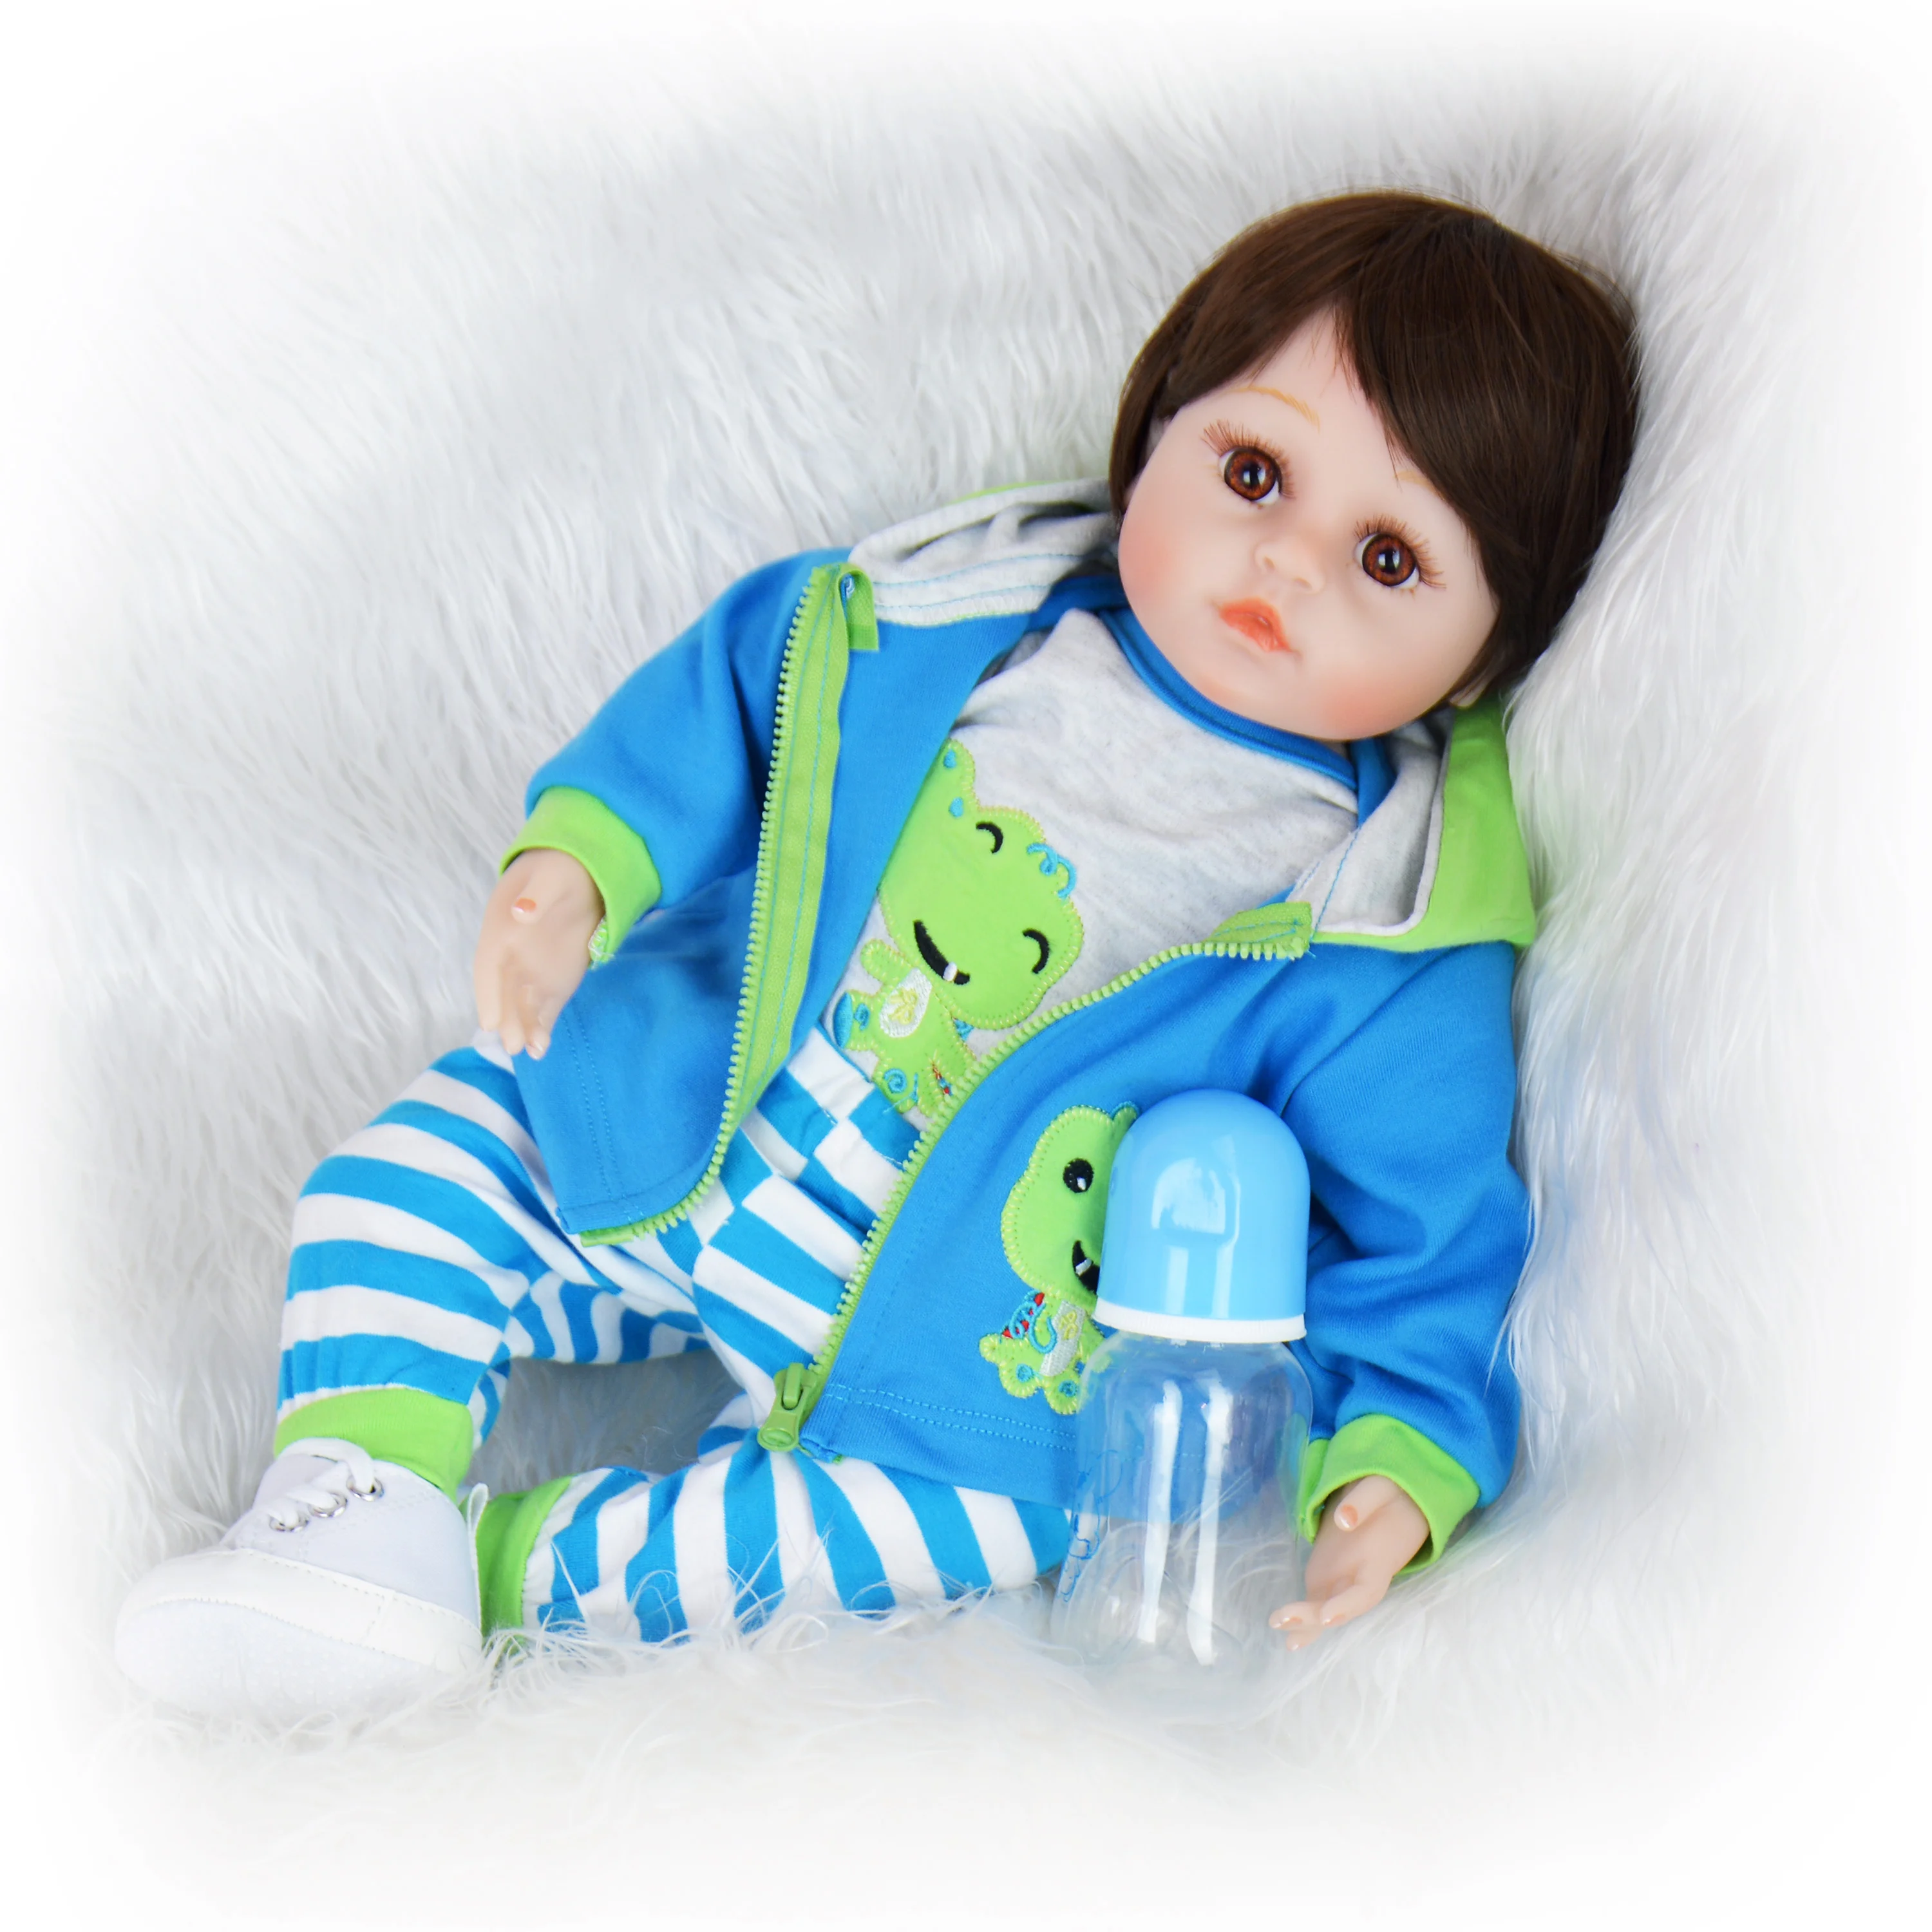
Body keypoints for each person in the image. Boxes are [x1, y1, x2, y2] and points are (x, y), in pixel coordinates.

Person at [115, 191, 1639, 1720]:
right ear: (1159, 425)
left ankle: (464, 1576)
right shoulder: (945, 614)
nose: (1289, 562)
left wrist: (1396, 1462)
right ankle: (357, 1489)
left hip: (971, 1370)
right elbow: (732, 704)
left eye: (1389, 559)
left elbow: (1431, 1235)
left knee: (934, 1550)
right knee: (413, 1174)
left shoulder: (1391, 922)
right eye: (1254, 472)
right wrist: (578, 863)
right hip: (698, 1131)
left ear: (1490, 658)